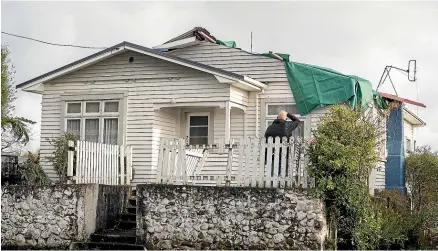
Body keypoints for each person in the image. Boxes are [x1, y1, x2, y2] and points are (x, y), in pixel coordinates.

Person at [264, 110, 301, 177]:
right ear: (286, 118)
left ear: (277, 118)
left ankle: (272, 186)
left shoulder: (270, 128)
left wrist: (265, 157)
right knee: (283, 177)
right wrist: (288, 114)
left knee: (272, 176)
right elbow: (297, 121)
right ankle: (282, 186)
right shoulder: (287, 125)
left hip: (273, 155)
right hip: (285, 155)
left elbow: (266, 144)